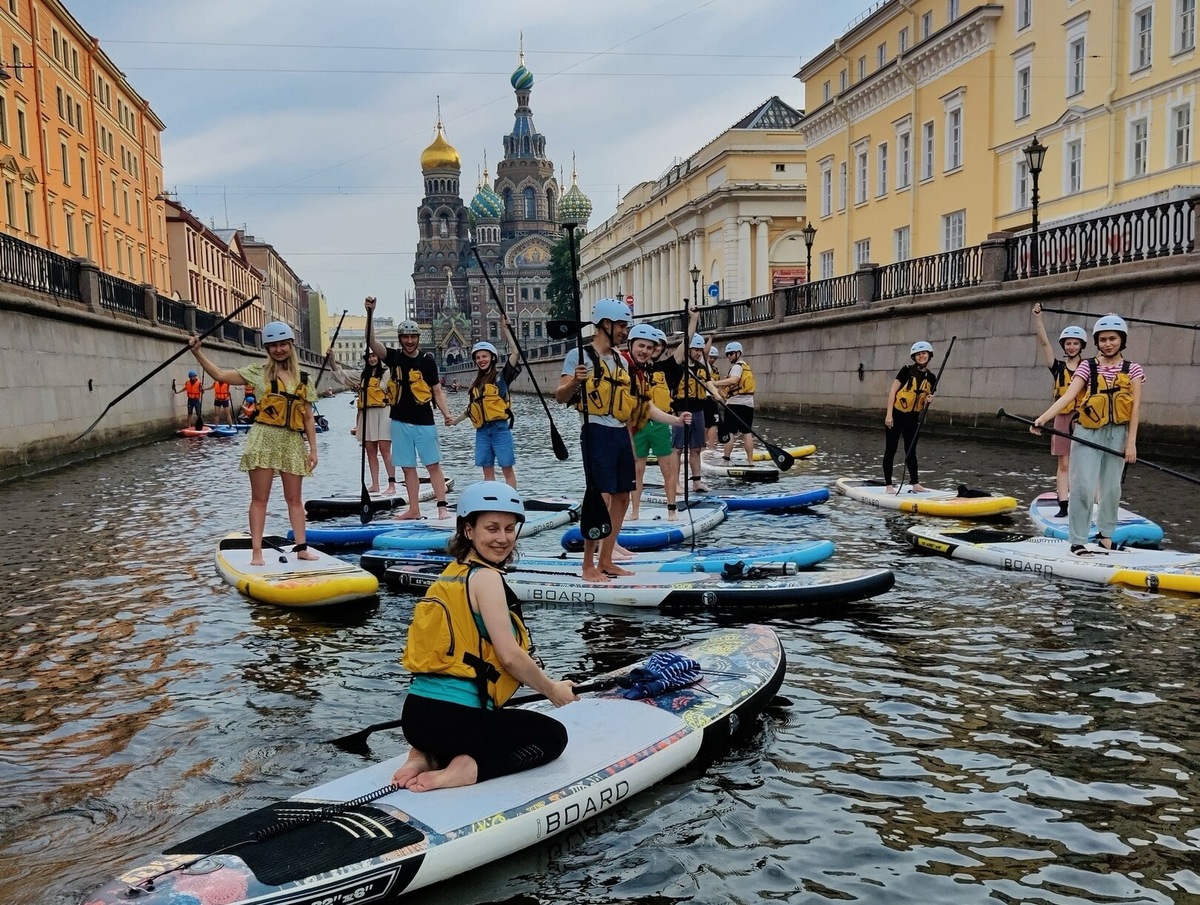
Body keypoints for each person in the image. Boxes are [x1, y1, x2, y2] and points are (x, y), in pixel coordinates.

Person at [392, 481, 578, 791]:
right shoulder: (487, 578)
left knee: (483, 724)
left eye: (509, 529)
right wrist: (553, 690)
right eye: (492, 528)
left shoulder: (450, 574)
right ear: (468, 530)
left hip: (415, 720)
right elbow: (509, 656)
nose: (502, 538)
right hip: (457, 722)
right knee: (553, 737)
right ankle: (468, 770)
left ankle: (423, 756)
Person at [188, 322, 319, 565]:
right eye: (273, 346)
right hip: (263, 438)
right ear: (267, 349)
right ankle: (256, 552)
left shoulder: (304, 379)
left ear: (291, 345)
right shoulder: (258, 373)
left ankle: (301, 549)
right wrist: (197, 352)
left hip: (292, 440)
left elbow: (308, 417)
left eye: (283, 344)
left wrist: (313, 450)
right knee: (260, 499)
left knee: (295, 499)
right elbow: (220, 376)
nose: (279, 349)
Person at [1031, 314, 1144, 555]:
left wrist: (1131, 443)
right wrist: (1043, 418)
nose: (1108, 344)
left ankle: (1106, 537)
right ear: (1096, 342)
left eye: (1112, 339)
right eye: (1103, 339)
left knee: (1112, 489)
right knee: (1083, 486)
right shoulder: (1087, 366)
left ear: (1122, 340)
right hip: (1088, 432)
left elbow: (1135, 408)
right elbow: (1068, 396)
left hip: (1117, 434)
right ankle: (1078, 541)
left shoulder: (1133, 369)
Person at [556, 297, 638, 582]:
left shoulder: (621, 360)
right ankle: (587, 565)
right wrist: (575, 382)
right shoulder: (578, 356)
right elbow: (560, 396)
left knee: (623, 497)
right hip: (595, 431)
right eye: (621, 325)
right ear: (605, 324)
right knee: (599, 497)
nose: (625, 331)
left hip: (619, 432)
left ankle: (606, 560)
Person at [366, 298, 454, 520]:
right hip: (400, 421)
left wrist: (446, 413)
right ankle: (414, 509)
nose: (409, 341)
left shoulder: (427, 361)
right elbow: (371, 342)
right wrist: (370, 313)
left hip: (424, 421)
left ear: (418, 338)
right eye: (405, 337)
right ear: (400, 339)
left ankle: (442, 508)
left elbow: (437, 392)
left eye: (413, 337)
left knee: (432, 465)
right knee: (407, 467)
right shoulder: (394, 357)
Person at [625, 324, 691, 521]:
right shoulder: (631, 367)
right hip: (638, 425)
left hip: (660, 424)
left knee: (667, 469)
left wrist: (693, 320)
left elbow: (685, 345)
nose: (649, 350)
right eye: (643, 346)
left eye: (654, 346)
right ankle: (634, 512)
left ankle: (672, 510)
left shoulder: (666, 367)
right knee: (637, 470)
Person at [451, 318, 522, 488]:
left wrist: (506, 329)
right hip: (482, 431)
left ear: (492, 358)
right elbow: (471, 410)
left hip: (500, 429)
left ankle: (511, 499)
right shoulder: (476, 384)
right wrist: (454, 422)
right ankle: (491, 497)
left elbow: (515, 353)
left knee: (507, 469)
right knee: (487, 470)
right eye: (478, 357)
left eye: (484, 356)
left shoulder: (501, 378)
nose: (481, 360)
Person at [1033, 303, 1087, 517]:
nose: (1071, 347)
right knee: (1064, 463)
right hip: (1062, 418)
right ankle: (1063, 505)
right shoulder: (1057, 367)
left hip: (1084, 419)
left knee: (1085, 463)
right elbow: (1045, 343)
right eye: (1068, 343)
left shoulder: (1090, 367)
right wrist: (1038, 319)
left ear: (1081, 346)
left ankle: (1089, 503)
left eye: (1075, 343)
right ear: (1064, 346)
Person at [328, 348, 398, 495]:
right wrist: (332, 360)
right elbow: (342, 376)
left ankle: (392, 484)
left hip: (383, 413)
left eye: (374, 356)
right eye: (369, 357)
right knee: (370, 452)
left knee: (385, 450)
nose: (372, 359)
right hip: (367, 415)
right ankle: (375, 484)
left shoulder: (387, 373)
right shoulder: (362, 375)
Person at [671, 316, 724, 496]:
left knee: (696, 448)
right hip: (681, 410)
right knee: (677, 449)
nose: (698, 353)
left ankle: (697, 483)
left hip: (698, 410)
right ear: (688, 349)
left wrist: (715, 393)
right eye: (695, 350)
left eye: (700, 350)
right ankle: (675, 483)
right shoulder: (678, 365)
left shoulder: (701, 367)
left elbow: (708, 383)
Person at [883, 341, 938, 493]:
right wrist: (889, 415)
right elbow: (893, 392)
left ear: (929, 355)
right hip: (896, 415)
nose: (921, 356)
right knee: (891, 450)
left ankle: (915, 483)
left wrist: (929, 400)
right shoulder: (906, 370)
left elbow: (925, 400)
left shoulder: (932, 377)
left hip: (913, 418)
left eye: (924, 353)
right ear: (914, 357)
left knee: (911, 451)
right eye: (918, 354)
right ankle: (888, 485)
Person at [714, 341, 757, 463]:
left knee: (731, 432)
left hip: (734, 404)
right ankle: (750, 461)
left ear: (738, 353)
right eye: (727, 354)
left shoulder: (737, 367)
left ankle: (726, 459)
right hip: (748, 404)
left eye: (731, 354)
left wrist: (715, 383)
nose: (729, 357)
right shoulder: (746, 366)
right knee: (747, 432)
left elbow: (734, 380)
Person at [704, 345, 722, 450]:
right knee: (712, 424)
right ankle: (709, 447)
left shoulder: (715, 370)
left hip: (713, 398)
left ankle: (707, 446)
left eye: (715, 358)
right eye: (711, 357)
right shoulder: (705, 367)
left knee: (710, 423)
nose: (713, 360)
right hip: (707, 398)